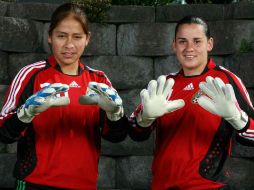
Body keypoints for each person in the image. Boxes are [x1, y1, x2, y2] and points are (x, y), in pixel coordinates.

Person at [0, 3, 128, 190]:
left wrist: (115, 114)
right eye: (61, 36)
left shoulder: (98, 80)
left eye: (77, 37)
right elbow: (3, 132)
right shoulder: (30, 74)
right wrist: (25, 114)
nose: (69, 45)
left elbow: (116, 136)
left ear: (87, 39)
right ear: (50, 36)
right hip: (35, 183)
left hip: (84, 185)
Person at [128, 16, 254, 190]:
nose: (189, 48)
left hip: (207, 185)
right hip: (161, 185)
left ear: (209, 44)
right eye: (182, 41)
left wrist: (236, 118)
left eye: (197, 41)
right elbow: (134, 132)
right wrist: (144, 118)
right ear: (174, 45)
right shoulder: (165, 84)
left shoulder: (226, 81)